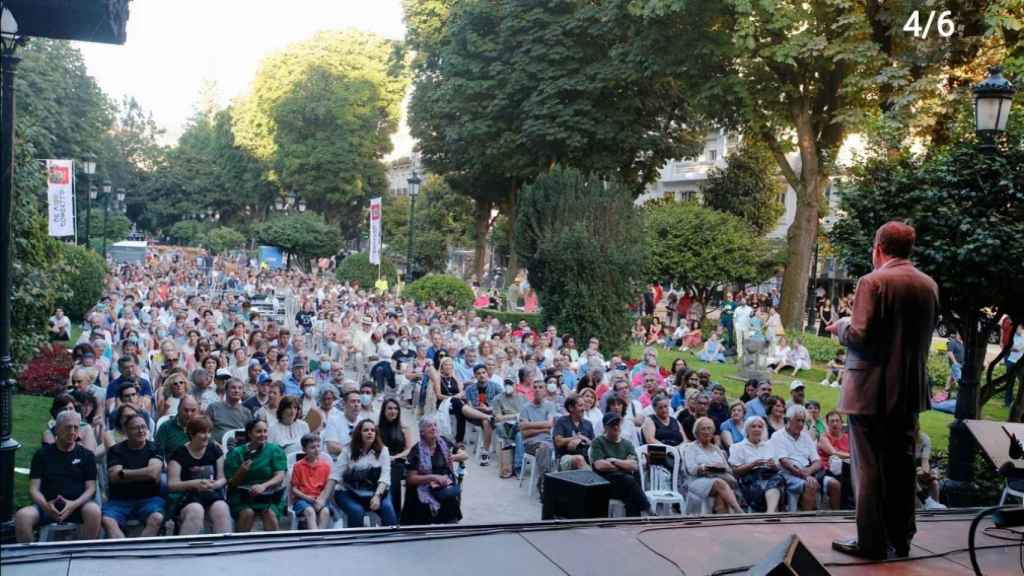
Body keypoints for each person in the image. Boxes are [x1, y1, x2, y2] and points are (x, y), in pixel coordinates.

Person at [827, 221, 939, 560]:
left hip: (870, 392)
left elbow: (859, 336)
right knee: (902, 467)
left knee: (869, 469)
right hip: (909, 391)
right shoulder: (928, 285)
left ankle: (871, 542)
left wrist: (841, 326)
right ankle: (901, 539)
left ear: (878, 248)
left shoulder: (872, 282)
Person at [15, 411, 101, 543]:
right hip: (47, 505)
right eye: (68, 427)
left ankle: (83, 552)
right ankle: (33, 554)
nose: (72, 431)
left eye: (76, 427)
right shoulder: (42, 455)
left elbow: (91, 488)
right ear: (57, 429)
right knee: (22, 516)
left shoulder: (87, 455)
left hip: (78, 506)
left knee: (93, 511)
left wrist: (73, 505)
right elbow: (33, 489)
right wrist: (47, 507)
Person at [101, 413, 165, 538]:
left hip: (149, 499)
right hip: (119, 501)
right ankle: (124, 549)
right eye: (135, 428)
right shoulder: (116, 450)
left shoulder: (155, 448)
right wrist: (145, 473)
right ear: (126, 431)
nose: (141, 431)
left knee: (157, 518)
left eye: (143, 427)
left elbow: (153, 473)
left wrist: (124, 473)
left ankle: (141, 549)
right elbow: (114, 478)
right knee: (108, 520)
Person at [326, 419, 398, 527]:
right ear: (359, 433)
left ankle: (388, 537)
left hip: (377, 492)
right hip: (348, 492)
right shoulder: (348, 450)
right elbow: (335, 475)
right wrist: (323, 498)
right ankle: (355, 538)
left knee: (388, 510)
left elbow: (385, 477)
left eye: (373, 430)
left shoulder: (383, 451)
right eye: (366, 430)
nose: (370, 432)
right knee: (357, 511)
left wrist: (377, 496)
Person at [167, 415, 231, 535]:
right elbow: (172, 485)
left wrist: (214, 485)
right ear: (192, 434)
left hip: (211, 494)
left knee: (222, 508)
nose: (207, 436)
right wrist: (194, 484)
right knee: (196, 510)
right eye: (202, 433)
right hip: (187, 497)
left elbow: (222, 479)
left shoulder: (215, 450)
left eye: (209, 432)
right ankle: (185, 546)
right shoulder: (179, 454)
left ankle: (224, 545)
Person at [402, 416, 467, 525]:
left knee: (450, 501)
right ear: (422, 432)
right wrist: (433, 477)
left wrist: (454, 457)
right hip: (423, 486)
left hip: (443, 486)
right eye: (429, 426)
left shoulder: (444, 442)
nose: (434, 428)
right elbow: (410, 479)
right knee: (421, 501)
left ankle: (450, 527)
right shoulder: (416, 450)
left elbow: (465, 455)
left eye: (435, 425)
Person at [225, 419, 287, 532]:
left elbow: (280, 476)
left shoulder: (275, 450)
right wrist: (242, 471)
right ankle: (241, 542)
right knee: (247, 513)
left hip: (269, 495)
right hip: (242, 497)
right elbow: (232, 484)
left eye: (265, 431)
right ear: (249, 434)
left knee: (269, 513)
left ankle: (273, 542)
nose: (263, 435)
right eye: (258, 431)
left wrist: (263, 486)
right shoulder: (236, 453)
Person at [590, 412, 650, 517]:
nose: (616, 427)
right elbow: (599, 465)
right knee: (629, 480)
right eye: (612, 424)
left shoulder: (627, 444)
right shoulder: (598, 442)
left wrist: (614, 460)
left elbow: (633, 465)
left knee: (630, 491)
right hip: (607, 484)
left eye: (617, 424)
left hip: (625, 485)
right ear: (605, 428)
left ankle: (633, 522)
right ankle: (647, 508)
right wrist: (624, 464)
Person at [682, 417, 743, 514]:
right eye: (703, 429)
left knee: (720, 496)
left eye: (709, 428)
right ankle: (739, 511)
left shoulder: (717, 449)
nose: (707, 432)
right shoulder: (690, 448)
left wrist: (720, 467)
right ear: (697, 432)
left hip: (718, 479)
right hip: (697, 481)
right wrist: (705, 467)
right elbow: (691, 469)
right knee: (719, 483)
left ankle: (722, 520)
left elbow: (729, 470)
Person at [768, 404, 821, 512]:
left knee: (814, 483)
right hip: (786, 474)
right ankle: (806, 518)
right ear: (788, 420)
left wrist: (809, 470)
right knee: (810, 484)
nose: (801, 424)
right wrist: (805, 475)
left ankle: (807, 516)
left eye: (803, 421)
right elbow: (784, 462)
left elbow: (817, 461)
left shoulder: (805, 436)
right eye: (798, 420)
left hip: (805, 471)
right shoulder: (778, 436)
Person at [728, 416, 784, 513]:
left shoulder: (769, 445)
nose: (757, 429)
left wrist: (773, 466)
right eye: (753, 426)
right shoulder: (737, 447)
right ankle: (771, 513)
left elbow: (778, 468)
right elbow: (735, 472)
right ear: (747, 430)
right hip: (750, 479)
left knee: (776, 480)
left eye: (760, 427)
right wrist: (752, 465)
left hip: (769, 476)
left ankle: (770, 513)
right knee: (772, 484)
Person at [519, 378, 557, 498]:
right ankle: (545, 482)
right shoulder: (526, 408)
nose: (537, 390)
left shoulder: (550, 405)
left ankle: (543, 480)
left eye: (541, 387)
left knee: (546, 448)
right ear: (532, 390)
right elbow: (524, 432)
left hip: (547, 442)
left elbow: (549, 424)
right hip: (530, 443)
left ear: (545, 390)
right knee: (544, 448)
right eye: (535, 387)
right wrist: (543, 429)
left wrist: (530, 425)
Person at [378, 398, 415, 515]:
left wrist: (394, 457)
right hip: (380, 462)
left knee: (393, 474)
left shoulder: (404, 428)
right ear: (384, 411)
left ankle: (396, 514)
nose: (393, 411)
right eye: (389, 408)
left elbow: (409, 449)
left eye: (395, 409)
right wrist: (386, 458)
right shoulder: (377, 428)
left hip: (398, 462)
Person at [289, 433, 333, 530]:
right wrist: (307, 498)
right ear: (304, 450)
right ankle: (315, 536)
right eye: (312, 447)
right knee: (310, 512)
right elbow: (294, 489)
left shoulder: (326, 466)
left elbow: (326, 488)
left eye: (318, 446)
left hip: (319, 499)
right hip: (302, 500)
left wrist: (320, 500)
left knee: (325, 512)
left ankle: (320, 537)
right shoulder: (298, 466)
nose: (317, 449)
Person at [463, 363, 501, 465]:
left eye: (484, 372)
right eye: (479, 373)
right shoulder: (470, 389)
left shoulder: (496, 387)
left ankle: (485, 452)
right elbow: (468, 406)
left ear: (487, 373)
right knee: (466, 410)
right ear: (475, 376)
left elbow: (501, 404)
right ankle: (486, 451)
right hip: (475, 415)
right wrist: (478, 408)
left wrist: (489, 408)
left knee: (486, 421)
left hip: (491, 414)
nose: (482, 375)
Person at [817, 411, 851, 510]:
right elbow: (834, 453)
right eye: (832, 421)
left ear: (841, 423)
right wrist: (852, 457)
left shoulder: (848, 437)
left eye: (837, 421)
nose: (835, 423)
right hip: (827, 471)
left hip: (846, 469)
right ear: (827, 424)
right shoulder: (824, 438)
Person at [553, 395, 595, 471]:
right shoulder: (562, 421)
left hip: (586, 457)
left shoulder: (588, 424)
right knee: (579, 459)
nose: (583, 409)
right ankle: (591, 476)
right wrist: (576, 438)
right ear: (571, 408)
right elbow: (558, 442)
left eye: (584, 405)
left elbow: (593, 444)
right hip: (564, 458)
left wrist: (584, 440)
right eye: (580, 405)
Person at [207, 378, 254, 442]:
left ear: (243, 392)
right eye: (233, 388)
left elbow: (251, 434)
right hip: (217, 445)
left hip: (239, 446)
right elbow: (206, 430)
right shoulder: (213, 408)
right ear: (226, 390)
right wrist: (214, 443)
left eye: (240, 388)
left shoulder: (247, 412)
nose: (237, 391)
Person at [914, 423, 947, 510]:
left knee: (934, 483)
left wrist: (925, 472)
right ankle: (926, 502)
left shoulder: (924, 439)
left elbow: (925, 461)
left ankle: (935, 507)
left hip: (918, 466)